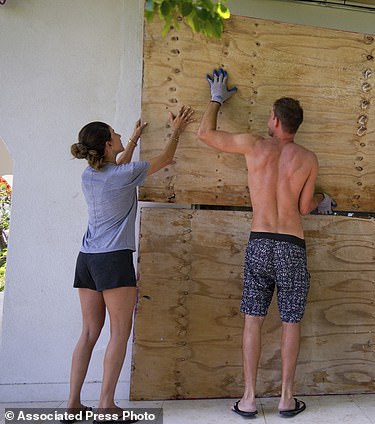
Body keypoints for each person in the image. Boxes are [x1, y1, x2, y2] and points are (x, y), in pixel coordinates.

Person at [197, 68, 334, 419]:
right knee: (291, 321)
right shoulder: (307, 158)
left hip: (259, 242)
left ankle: (249, 399)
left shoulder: (253, 146)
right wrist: (323, 197)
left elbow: (205, 134)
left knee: (253, 321)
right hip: (291, 244)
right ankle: (287, 399)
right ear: (296, 126)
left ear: (274, 119)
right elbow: (305, 207)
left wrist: (216, 98)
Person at [67, 106, 194, 424]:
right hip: (113, 260)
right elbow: (165, 160)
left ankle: (72, 405)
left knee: (88, 333)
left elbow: (117, 169)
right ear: (108, 145)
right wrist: (176, 130)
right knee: (119, 332)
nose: (121, 134)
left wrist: (135, 138)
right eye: (116, 133)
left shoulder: (90, 174)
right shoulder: (122, 175)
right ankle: (106, 406)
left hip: (87, 260)